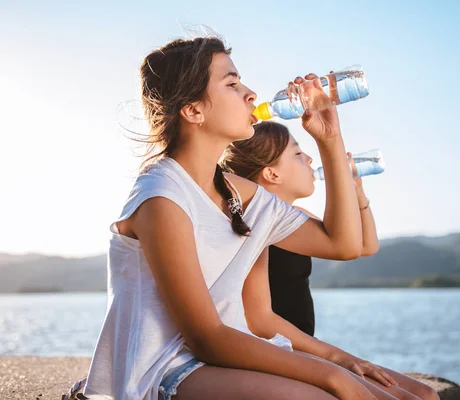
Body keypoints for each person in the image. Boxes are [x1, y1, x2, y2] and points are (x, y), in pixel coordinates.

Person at [77, 33, 435, 400]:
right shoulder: (162, 197)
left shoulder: (237, 192)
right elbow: (206, 338)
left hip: (228, 357)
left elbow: (342, 244)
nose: (250, 93)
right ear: (194, 110)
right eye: (231, 83)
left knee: (420, 396)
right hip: (165, 371)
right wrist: (332, 374)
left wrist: (329, 139)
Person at [221, 121, 439, 400]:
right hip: (280, 350)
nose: (310, 159)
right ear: (271, 173)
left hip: (306, 347)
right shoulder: (253, 223)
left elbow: (364, 246)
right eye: (298, 154)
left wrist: (356, 191)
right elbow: (258, 319)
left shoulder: (295, 218)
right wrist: (337, 357)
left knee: (426, 394)